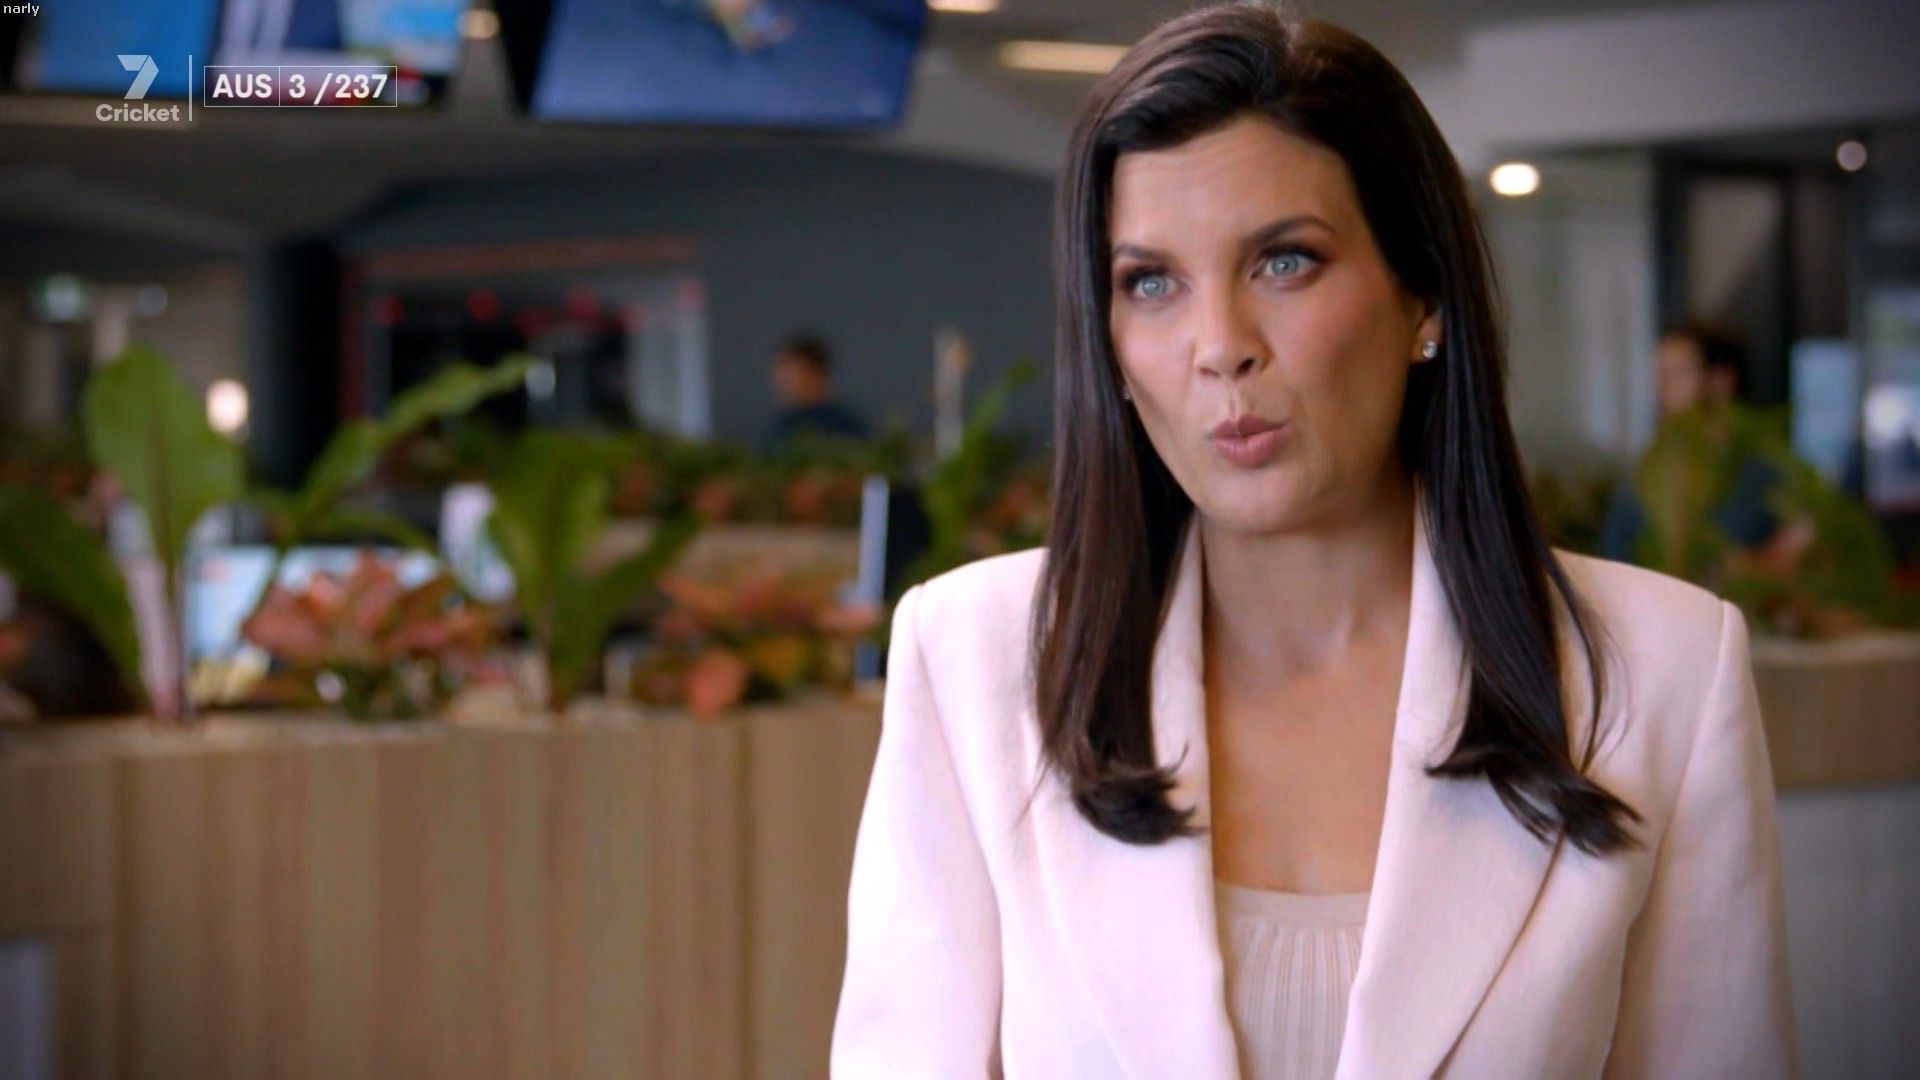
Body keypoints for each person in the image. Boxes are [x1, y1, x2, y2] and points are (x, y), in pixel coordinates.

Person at [831, 4, 1795, 1079]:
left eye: (1284, 262)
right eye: (1150, 282)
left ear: (1422, 293)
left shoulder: (1664, 670)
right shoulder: (976, 657)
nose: (1220, 348)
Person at [1598, 322, 1812, 572]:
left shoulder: (1768, 472)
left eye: (1679, 373)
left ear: (1721, 381)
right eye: (1659, 373)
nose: (1662, 387)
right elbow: (1613, 566)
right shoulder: (1643, 476)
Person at [758, 333, 870, 452]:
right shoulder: (781, 424)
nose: (780, 380)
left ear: (815, 374)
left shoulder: (841, 426)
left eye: (789, 373)